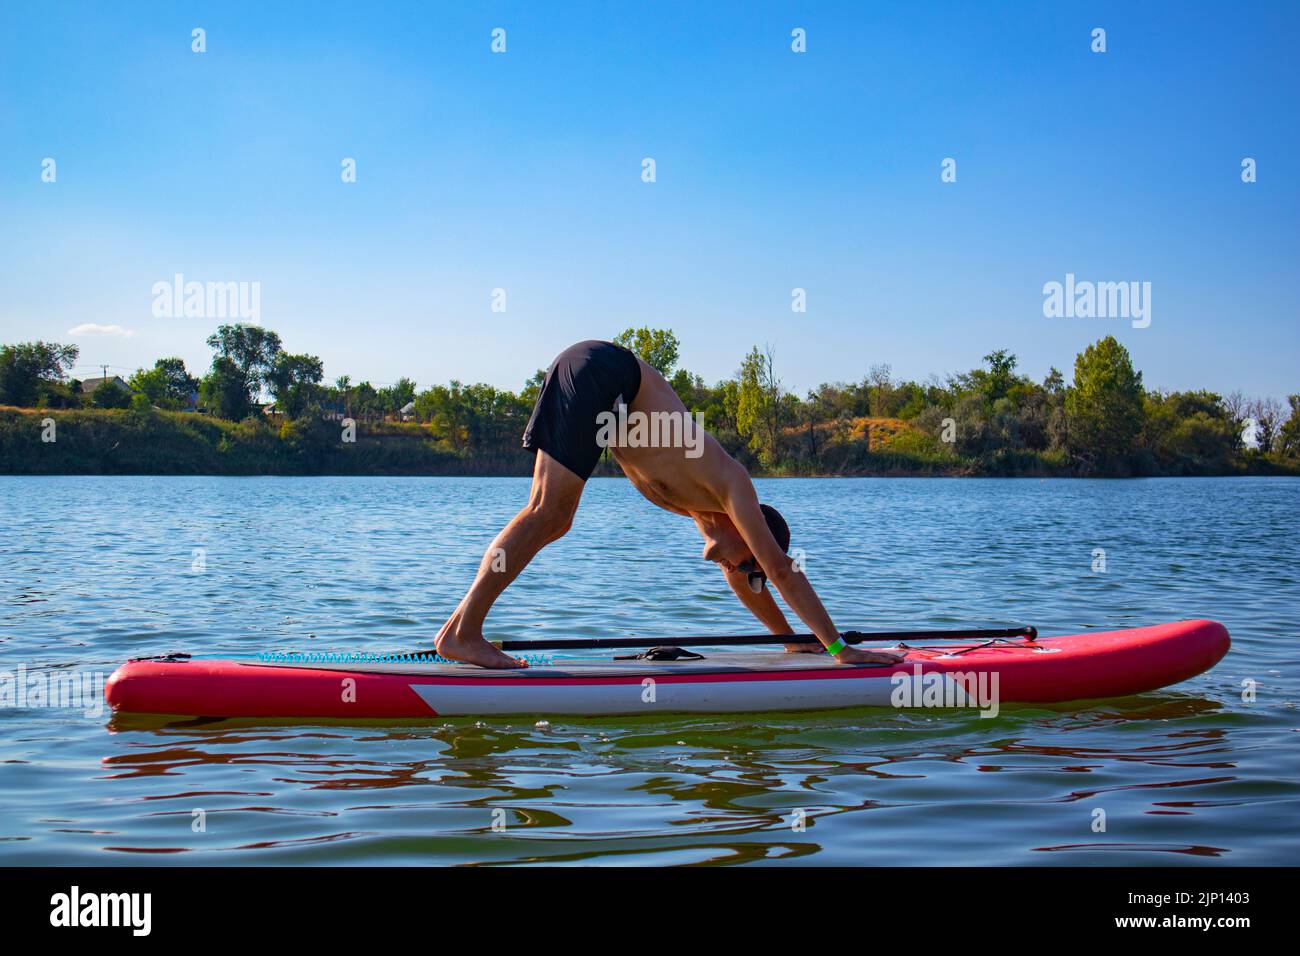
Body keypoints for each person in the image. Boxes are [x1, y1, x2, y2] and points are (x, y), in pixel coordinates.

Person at [435, 339, 905, 670]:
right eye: (745, 563)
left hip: (591, 374)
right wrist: (839, 648)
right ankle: (463, 633)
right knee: (549, 513)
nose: (732, 571)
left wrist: (790, 641)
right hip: (606, 373)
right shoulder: (733, 487)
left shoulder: (700, 511)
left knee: (549, 514)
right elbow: (780, 571)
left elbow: (750, 582)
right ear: (751, 535)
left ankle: (459, 632)